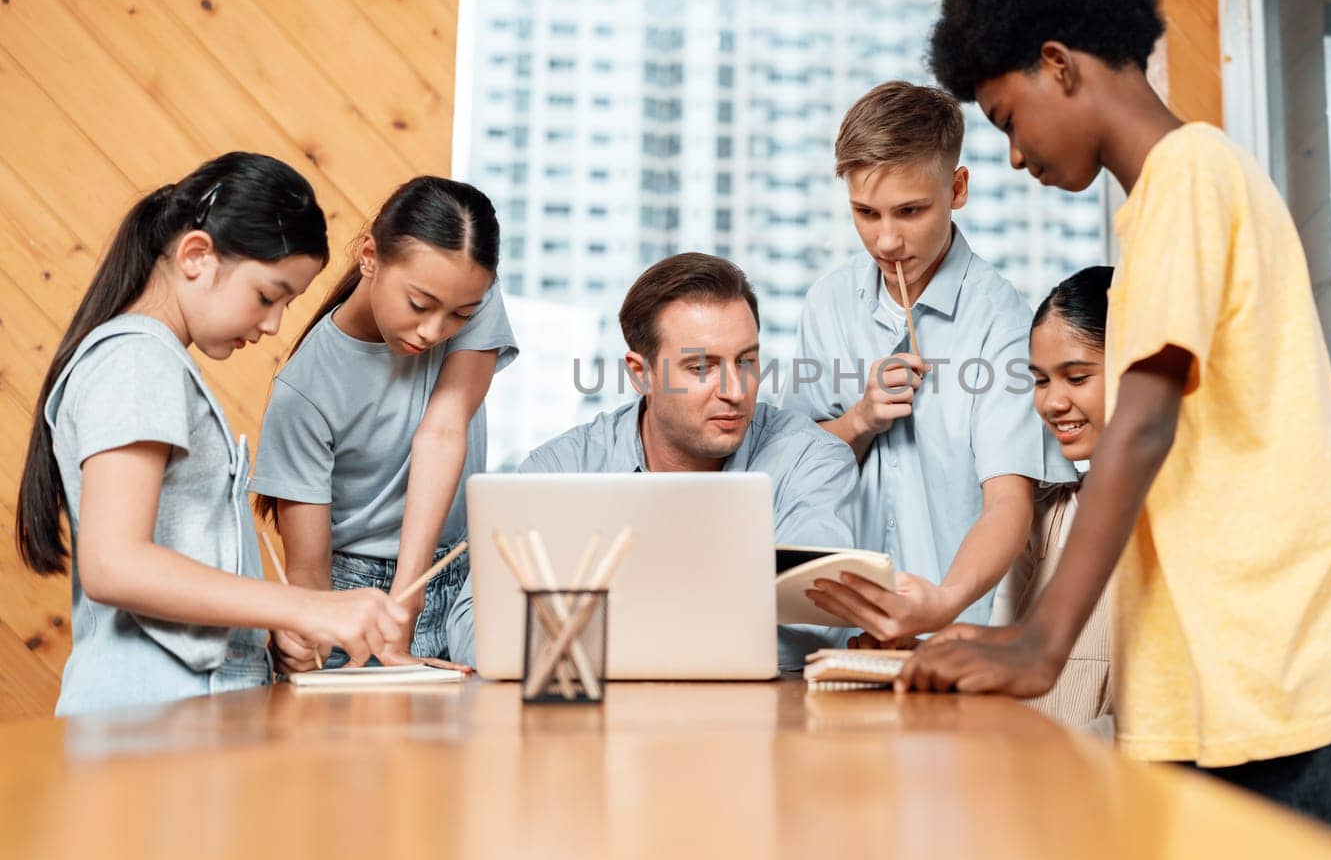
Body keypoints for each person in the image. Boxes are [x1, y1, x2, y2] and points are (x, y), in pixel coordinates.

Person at [899, 0, 1331, 841]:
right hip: (1221, 694)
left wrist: (1040, 641)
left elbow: (1140, 425)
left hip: (1278, 686)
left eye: (1007, 120)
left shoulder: (1190, 172)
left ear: (1058, 64)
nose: (1014, 155)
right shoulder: (1164, 206)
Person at [15, 152, 408, 716]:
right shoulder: (136, 362)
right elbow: (114, 564)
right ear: (197, 255)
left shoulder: (151, 361)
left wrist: (268, 629)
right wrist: (302, 608)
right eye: (268, 296)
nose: (273, 324)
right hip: (149, 726)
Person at [446, 253, 858, 671]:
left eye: (747, 361)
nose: (735, 390)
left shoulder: (810, 461)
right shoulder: (562, 466)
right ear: (640, 373)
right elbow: (471, 629)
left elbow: (813, 630)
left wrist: (591, 638)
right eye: (702, 367)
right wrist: (708, 631)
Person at [786, 81, 1066, 647]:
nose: (886, 240)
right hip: (830, 645)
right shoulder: (828, 303)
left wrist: (940, 605)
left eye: (910, 211)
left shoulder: (1004, 324)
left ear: (957, 188)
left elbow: (1009, 505)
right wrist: (860, 419)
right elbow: (794, 473)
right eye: (866, 213)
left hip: (950, 644)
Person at [252, 177, 517, 669]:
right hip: (357, 596)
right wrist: (307, 640)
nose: (434, 331)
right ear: (370, 256)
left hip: (459, 576)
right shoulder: (304, 389)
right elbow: (309, 573)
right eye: (419, 305)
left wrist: (409, 598)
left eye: (460, 315)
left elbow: (443, 429)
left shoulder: (466, 286)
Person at [988, 267, 1116, 733]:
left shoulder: (1179, 529)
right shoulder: (1045, 514)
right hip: (1022, 785)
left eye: (1077, 377)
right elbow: (1000, 667)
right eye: (1041, 382)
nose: (1052, 403)